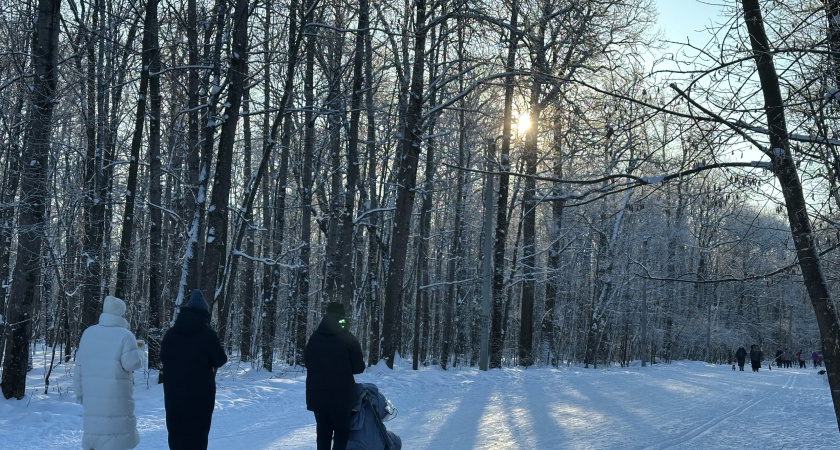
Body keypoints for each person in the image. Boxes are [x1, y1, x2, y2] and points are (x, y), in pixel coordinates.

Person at [74, 295, 146, 450]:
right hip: (115, 398)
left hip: (92, 397)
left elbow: (78, 365)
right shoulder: (125, 336)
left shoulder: (88, 333)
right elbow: (131, 363)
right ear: (121, 312)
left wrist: (79, 391)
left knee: (96, 433)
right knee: (116, 437)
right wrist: (140, 352)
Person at [160, 289, 228, 450]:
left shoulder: (171, 335)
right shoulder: (207, 335)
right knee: (198, 432)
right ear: (204, 313)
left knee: (176, 432)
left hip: (174, 392)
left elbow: (163, 359)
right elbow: (220, 359)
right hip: (200, 393)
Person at [305, 302, 365, 450]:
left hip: (318, 394)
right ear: (342, 317)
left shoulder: (315, 338)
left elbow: (307, 362)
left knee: (323, 432)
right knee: (341, 432)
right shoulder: (349, 339)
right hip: (342, 395)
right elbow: (358, 368)